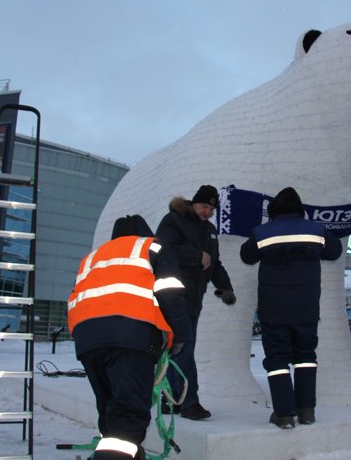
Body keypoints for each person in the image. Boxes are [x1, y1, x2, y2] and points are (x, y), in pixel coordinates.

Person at [67, 214, 191, 460]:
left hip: (87, 339)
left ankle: (127, 454)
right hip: (131, 336)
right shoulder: (152, 246)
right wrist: (180, 334)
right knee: (128, 413)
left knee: (110, 409)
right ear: (145, 232)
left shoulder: (93, 257)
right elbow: (169, 292)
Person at [240, 187, 342, 429]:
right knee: (306, 358)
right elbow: (335, 251)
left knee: (277, 360)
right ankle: (307, 412)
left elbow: (246, 256)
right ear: (300, 209)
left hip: (274, 311)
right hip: (307, 310)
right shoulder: (317, 230)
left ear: (274, 210)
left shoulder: (263, 232)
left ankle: (284, 415)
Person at [155, 185, 235, 420]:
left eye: (212, 208)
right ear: (193, 203)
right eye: (204, 206)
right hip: (172, 296)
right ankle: (190, 402)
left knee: (178, 350)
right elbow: (161, 249)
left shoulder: (210, 230)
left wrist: (225, 287)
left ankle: (172, 400)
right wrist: (196, 255)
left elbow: (214, 262)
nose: (208, 212)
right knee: (183, 348)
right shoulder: (174, 220)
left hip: (193, 300)